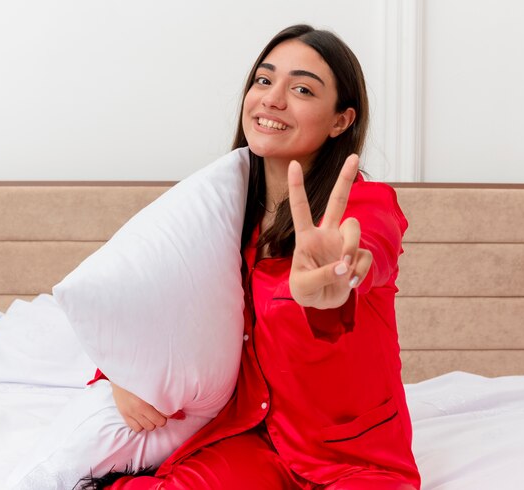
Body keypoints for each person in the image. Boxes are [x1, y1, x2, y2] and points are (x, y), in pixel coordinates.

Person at [83, 24, 420, 490]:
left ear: (340, 120)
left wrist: (339, 280)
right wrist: (120, 372)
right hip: (252, 440)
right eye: (264, 80)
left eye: (301, 88)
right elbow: (159, 297)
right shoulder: (222, 211)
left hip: (355, 458)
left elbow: (368, 249)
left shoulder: (367, 205)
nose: (272, 99)